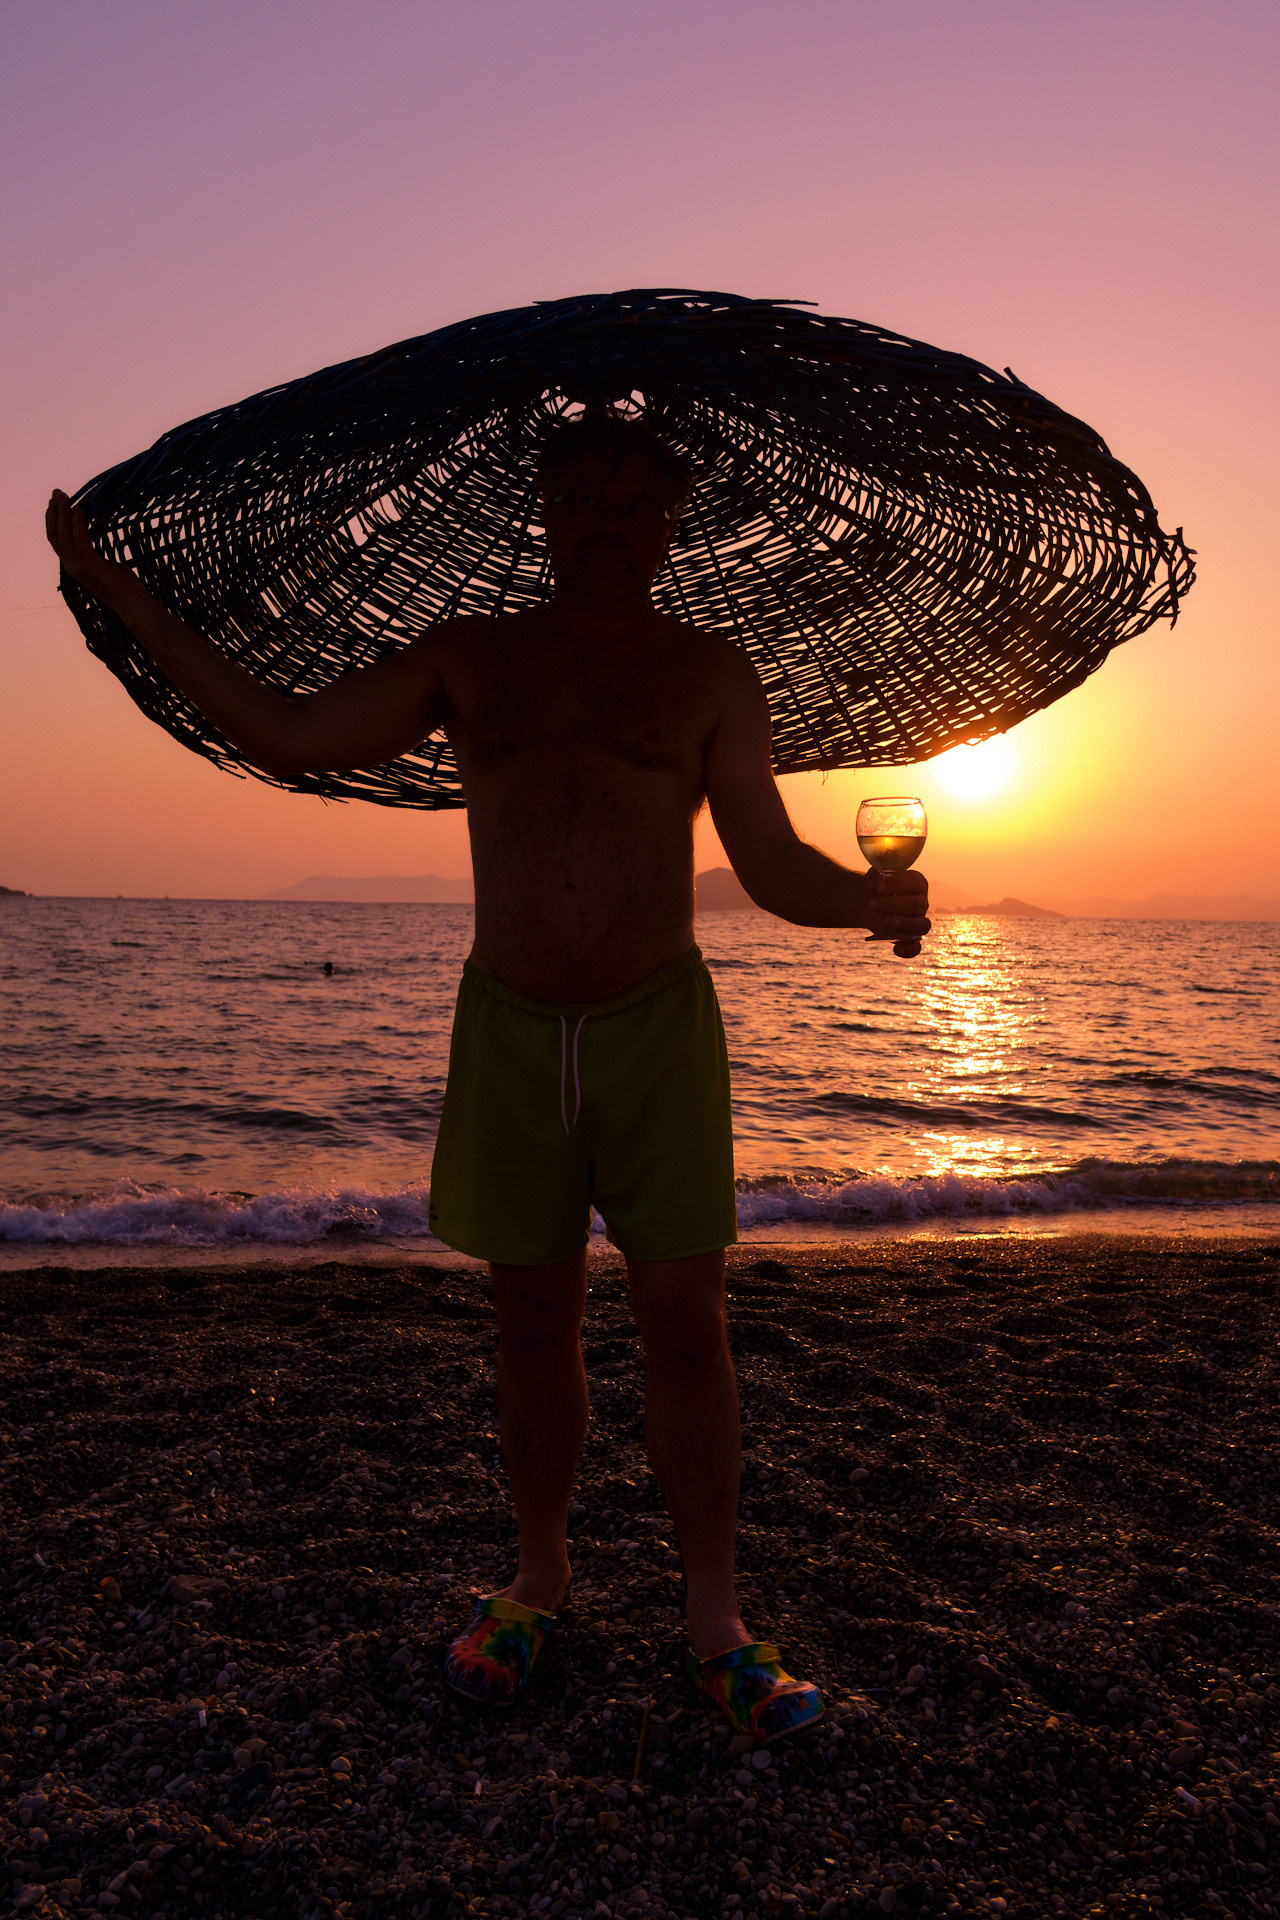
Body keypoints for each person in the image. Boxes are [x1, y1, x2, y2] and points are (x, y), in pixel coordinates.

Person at [46, 414, 929, 1741]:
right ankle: (539, 1580)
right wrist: (112, 591)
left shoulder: (705, 673)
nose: (607, 520)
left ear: (672, 520)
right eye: (582, 496)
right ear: (546, 511)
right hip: (510, 1026)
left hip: (657, 1029)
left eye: (635, 500)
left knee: (687, 1321)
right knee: (530, 1317)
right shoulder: (475, 656)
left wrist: (873, 906)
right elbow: (286, 735)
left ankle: (716, 1623)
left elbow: (768, 864)